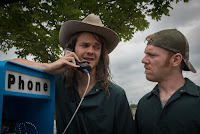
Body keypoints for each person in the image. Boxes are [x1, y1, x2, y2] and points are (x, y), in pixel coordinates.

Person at [7, 14, 135, 134]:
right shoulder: (57, 81)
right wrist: (48, 67)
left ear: (101, 54)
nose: (90, 51)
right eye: (85, 45)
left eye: (96, 47)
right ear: (71, 50)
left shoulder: (116, 95)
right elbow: (8, 64)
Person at [135, 29, 200, 134]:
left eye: (152, 55)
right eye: (145, 54)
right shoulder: (144, 104)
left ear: (176, 60)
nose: (144, 60)